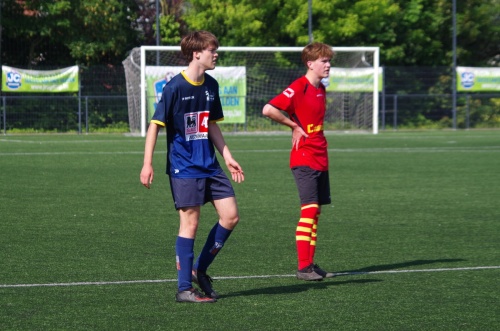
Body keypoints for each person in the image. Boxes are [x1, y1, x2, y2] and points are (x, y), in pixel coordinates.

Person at [140, 30, 244, 303]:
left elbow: (210, 125)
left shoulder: (211, 85)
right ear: (197, 53)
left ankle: (200, 270)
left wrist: (228, 156)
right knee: (191, 223)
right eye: (212, 50)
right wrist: (147, 163)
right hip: (184, 167)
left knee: (231, 216)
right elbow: (155, 126)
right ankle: (184, 288)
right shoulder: (175, 87)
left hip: (209, 164)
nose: (216, 54)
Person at [262, 42, 335, 281]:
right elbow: (268, 109)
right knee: (309, 209)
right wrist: (293, 125)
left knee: (316, 212)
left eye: (329, 60)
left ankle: (311, 264)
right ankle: (303, 267)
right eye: (324, 61)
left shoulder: (321, 89)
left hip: (320, 155)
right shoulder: (299, 86)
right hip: (303, 156)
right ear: (310, 63)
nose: (328, 65)